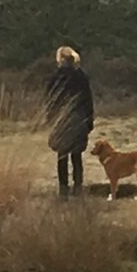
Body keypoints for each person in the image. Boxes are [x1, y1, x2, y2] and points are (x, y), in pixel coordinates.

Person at [45, 45, 94, 198]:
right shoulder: (81, 77)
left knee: (62, 156)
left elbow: (50, 101)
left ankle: (63, 190)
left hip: (61, 119)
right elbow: (88, 100)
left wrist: (50, 120)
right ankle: (78, 187)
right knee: (77, 155)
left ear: (60, 59)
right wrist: (89, 120)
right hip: (78, 118)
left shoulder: (55, 77)